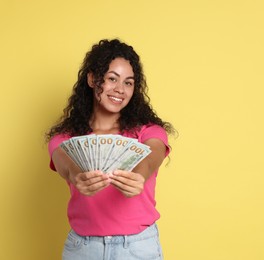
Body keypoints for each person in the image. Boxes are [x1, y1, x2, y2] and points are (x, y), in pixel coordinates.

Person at [46, 39, 175, 260]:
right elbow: (65, 165)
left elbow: (151, 156)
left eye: (128, 82)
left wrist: (139, 176)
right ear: (92, 79)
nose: (120, 90)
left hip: (137, 248)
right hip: (83, 249)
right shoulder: (65, 138)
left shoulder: (149, 131)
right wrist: (78, 176)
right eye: (112, 79)